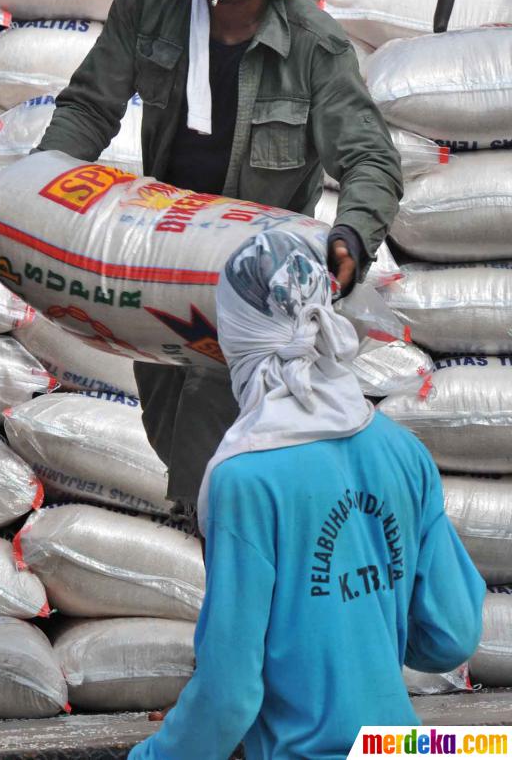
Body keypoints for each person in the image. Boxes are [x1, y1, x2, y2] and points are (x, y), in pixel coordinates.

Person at [36, 0, 403, 521]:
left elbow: (370, 159)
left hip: (259, 282)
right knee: (173, 422)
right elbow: (91, 106)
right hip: (163, 260)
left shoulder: (314, 47)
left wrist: (352, 232)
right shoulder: (151, 4)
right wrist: (43, 189)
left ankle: (232, 571)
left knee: (224, 471)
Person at [127, 231, 486, 760]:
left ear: (236, 337)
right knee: (483, 749)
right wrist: (363, 627)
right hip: (408, 748)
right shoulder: (401, 449)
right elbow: (454, 636)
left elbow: (228, 697)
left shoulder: (244, 479)